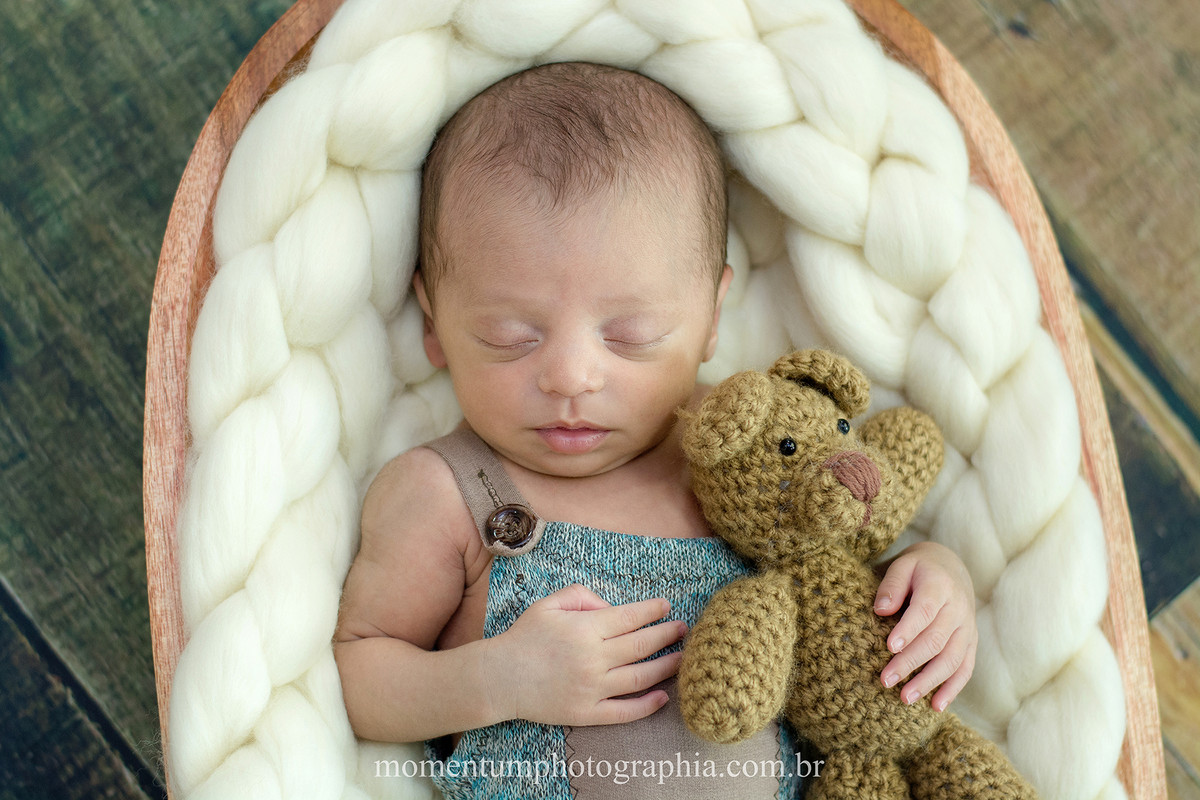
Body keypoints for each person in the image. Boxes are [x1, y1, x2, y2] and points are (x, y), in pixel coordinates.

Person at [334, 61, 977, 798]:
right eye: (510, 335)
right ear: (434, 323)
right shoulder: (445, 492)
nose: (571, 376)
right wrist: (498, 678)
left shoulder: (743, 451)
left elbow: (841, 543)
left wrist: (934, 579)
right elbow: (359, 670)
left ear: (709, 319)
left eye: (632, 335)